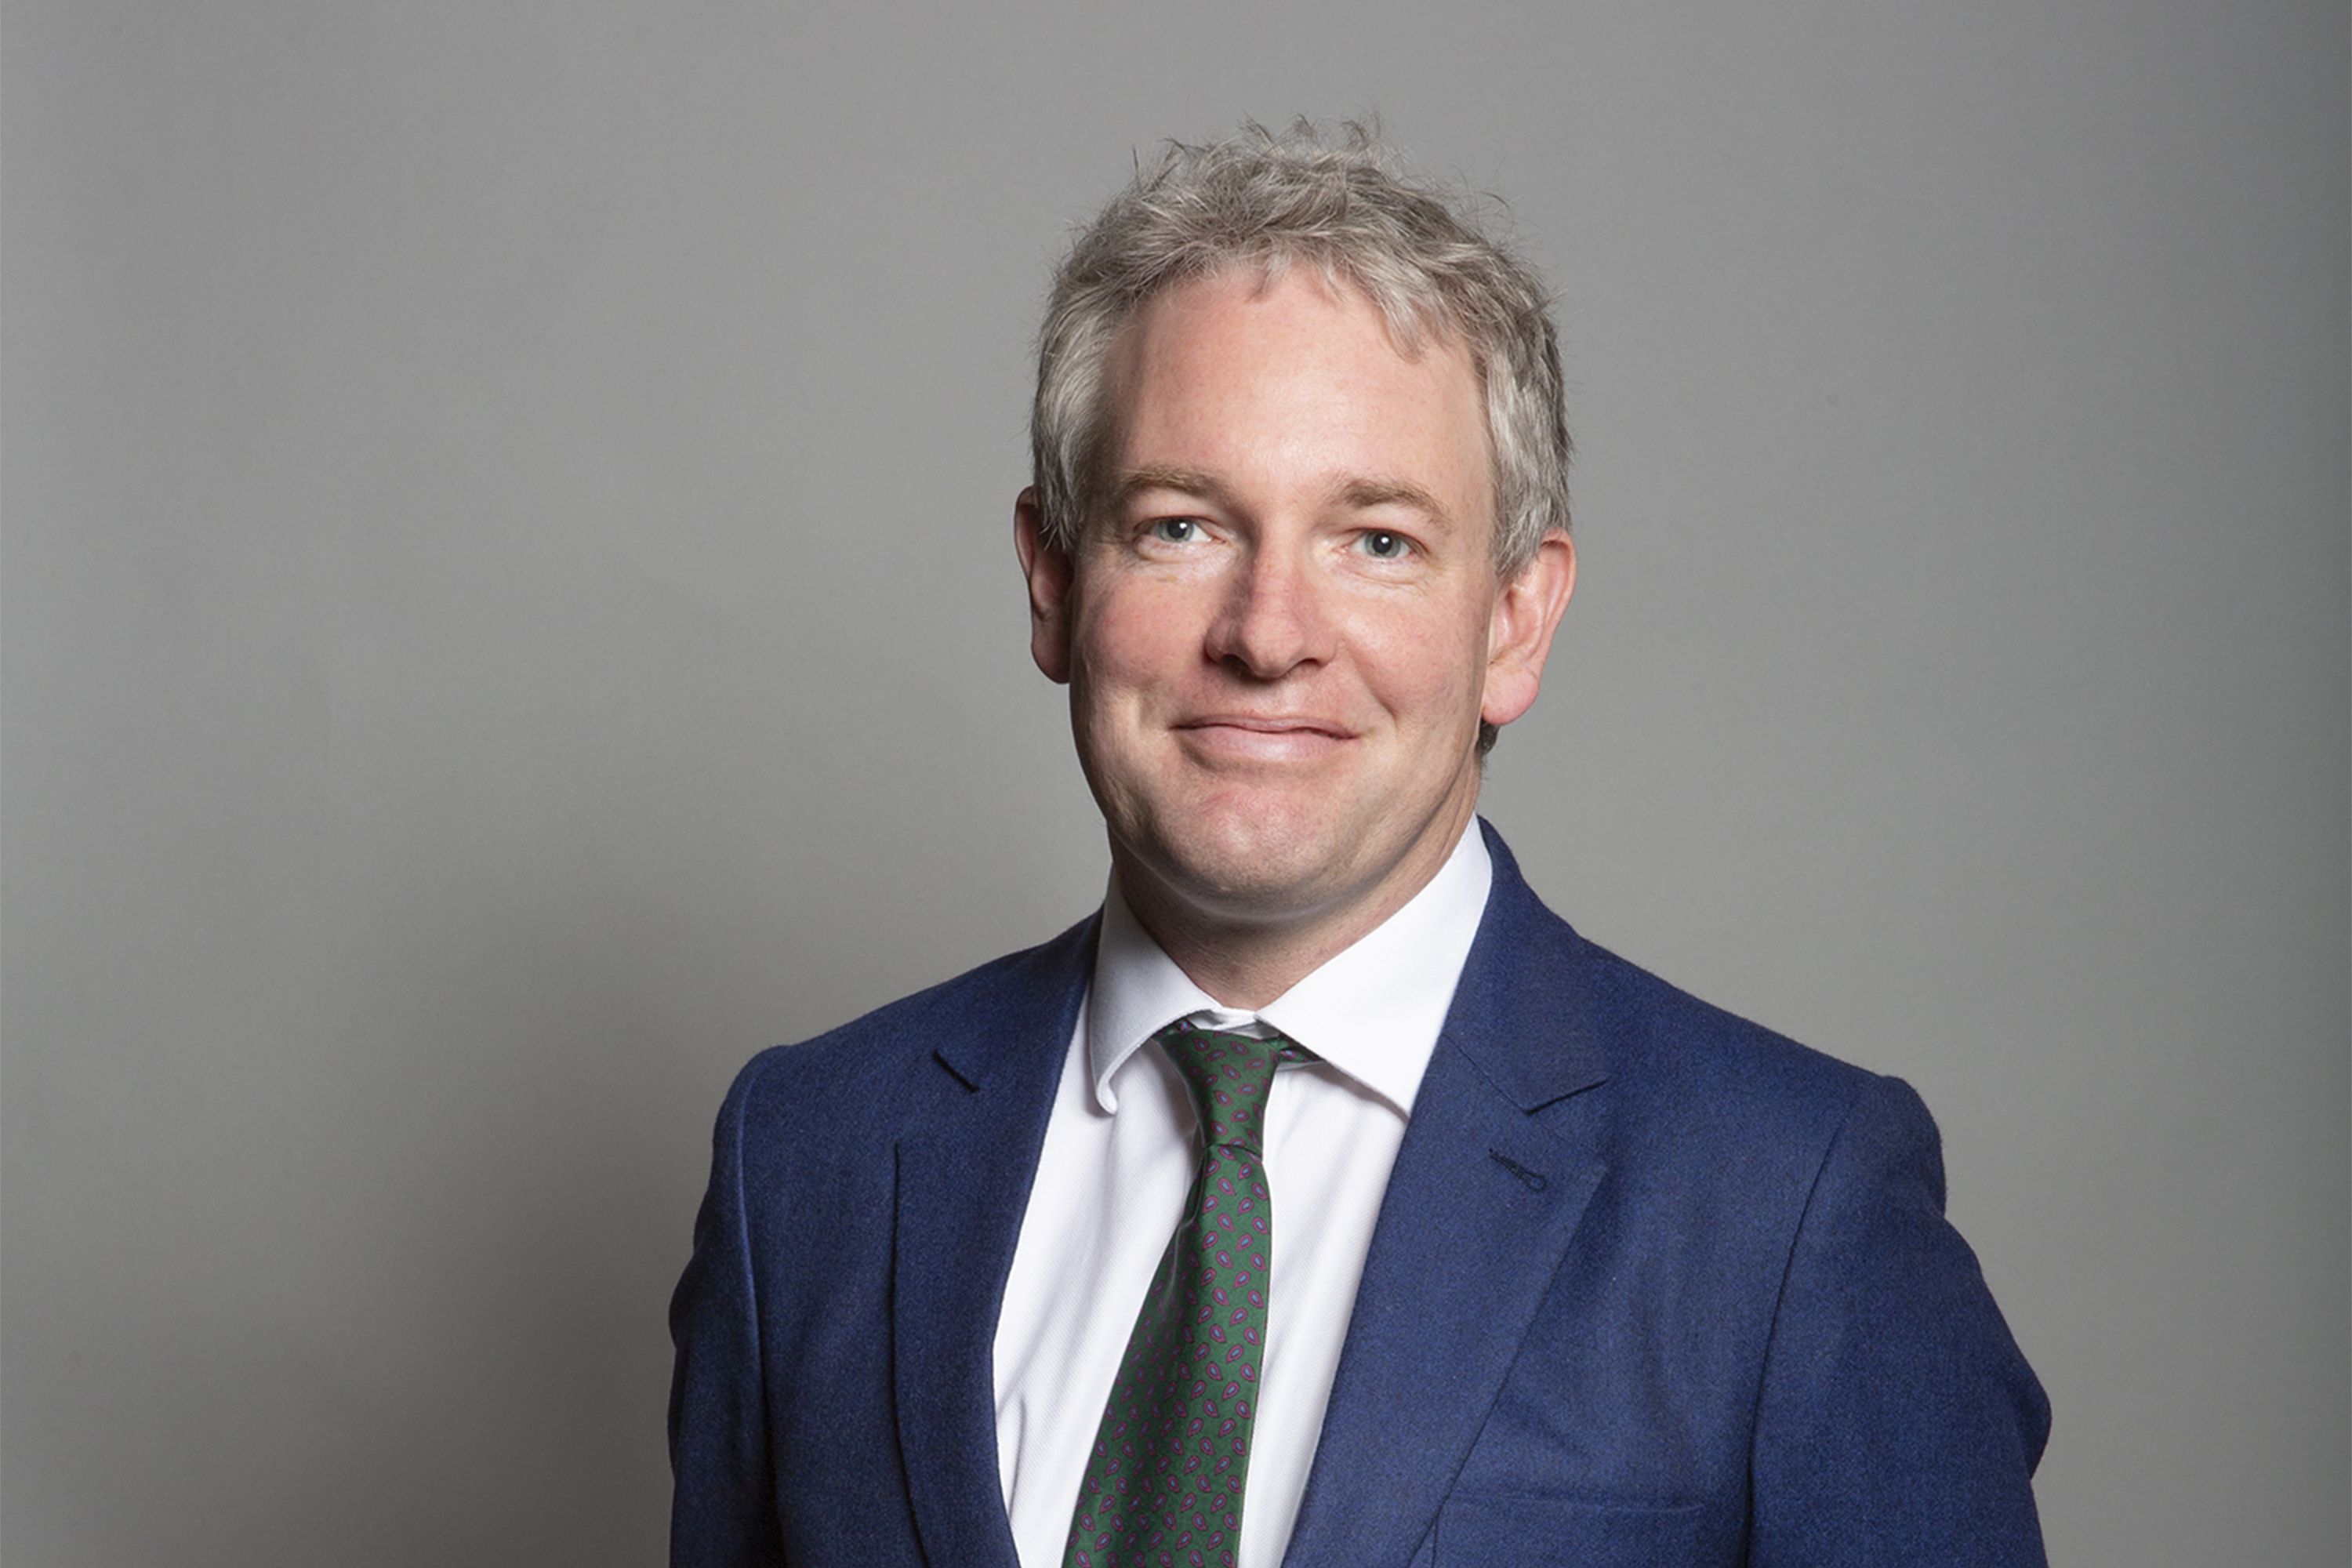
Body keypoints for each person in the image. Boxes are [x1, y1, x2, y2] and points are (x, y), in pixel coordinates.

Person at [668, 122, 2050, 1568]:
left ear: (1515, 619)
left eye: (1376, 540)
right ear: (1055, 579)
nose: (1269, 635)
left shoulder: (1788, 1209)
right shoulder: (807, 1161)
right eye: (1182, 525)